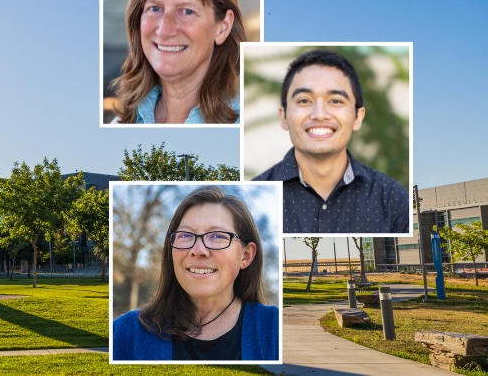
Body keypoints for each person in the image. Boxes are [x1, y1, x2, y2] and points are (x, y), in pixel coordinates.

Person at [112, 187, 278, 361]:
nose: (198, 250)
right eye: (185, 235)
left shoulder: (275, 330)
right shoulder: (125, 334)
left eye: (217, 236)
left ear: (246, 256)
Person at [253, 49, 409, 234]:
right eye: (304, 100)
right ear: (284, 117)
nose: (319, 114)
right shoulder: (255, 198)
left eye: (335, 101)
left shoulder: (392, 199)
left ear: (358, 117)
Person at [110, 0, 244, 124]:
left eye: (187, 11)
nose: (164, 30)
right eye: (155, 8)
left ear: (223, 26)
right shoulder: (122, 124)